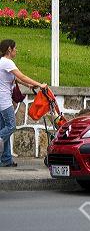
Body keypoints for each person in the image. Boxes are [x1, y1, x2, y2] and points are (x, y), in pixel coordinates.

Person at [0, 39, 47, 167]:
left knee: (4, 129)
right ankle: (5, 158)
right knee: (11, 127)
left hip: (2, 101)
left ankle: (6, 160)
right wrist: (39, 84)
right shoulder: (6, 62)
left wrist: (30, 85)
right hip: (4, 101)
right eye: (15, 48)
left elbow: (17, 79)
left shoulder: (3, 63)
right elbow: (22, 76)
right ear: (9, 49)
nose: (16, 50)